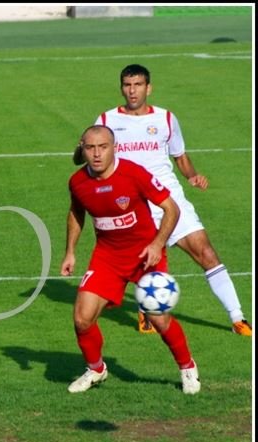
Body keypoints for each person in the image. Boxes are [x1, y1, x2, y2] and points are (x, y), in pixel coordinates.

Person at [74, 63, 251, 336]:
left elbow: (180, 156)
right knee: (141, 263)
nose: (132, 91)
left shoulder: (166, 119)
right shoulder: (106, 121)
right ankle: (147, 310)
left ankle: (237, 317)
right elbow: (85, 156)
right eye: (127, 85)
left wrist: (192, 176)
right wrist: (80, 151)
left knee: (206, 253)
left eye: (138, 85)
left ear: (149, 88)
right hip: (135, 205)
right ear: (121, 88)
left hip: (170, 199)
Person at [61, 125, 201, 395]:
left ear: (114, 147)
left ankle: (187, 366)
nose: (97, 154)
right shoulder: (77, 182)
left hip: (146, 256)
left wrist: (158, 244)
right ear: (82, 148)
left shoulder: (133, 173)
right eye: (90, 148)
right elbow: (76, 213)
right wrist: (70, 251)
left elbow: (171, 208)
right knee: (82, 318)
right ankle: (96, 369)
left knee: (158, 319)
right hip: (107, 258)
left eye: (103, 147)